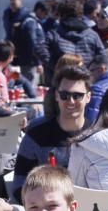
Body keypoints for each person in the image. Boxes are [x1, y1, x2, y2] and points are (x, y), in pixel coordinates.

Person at [12, 64, 92, 199]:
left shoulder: (97, 135)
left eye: (77, 96)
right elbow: (20, 185)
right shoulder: (36, 134)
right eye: (64, 95)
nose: (71, 101)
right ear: (56, 95)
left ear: (88, 97)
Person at [41, 0, 106, 85]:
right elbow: (102, 57)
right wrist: (91, 70)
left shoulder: (54, 34)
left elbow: (39, 49)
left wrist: (56, 66)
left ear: (61, 14)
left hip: (60, 82)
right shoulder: (92, 35)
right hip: (85, 80)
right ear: (80, 14)